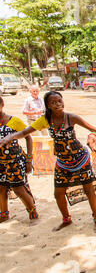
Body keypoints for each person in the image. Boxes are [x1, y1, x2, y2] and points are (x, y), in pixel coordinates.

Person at [0, 91, 96, 232]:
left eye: (59, 100)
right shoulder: (45, 120)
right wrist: (10, 137)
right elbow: (24, 132)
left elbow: (95, 130)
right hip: (62, 162)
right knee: (58, 193)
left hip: (80, 159)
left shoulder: (71, 118)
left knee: (89, 190)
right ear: (48, 105)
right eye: (53, 102)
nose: (58, 104)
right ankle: (66, 219)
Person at [0, 96, 39, 224]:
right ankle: (4, 214)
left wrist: (29, 159)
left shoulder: (14, 121)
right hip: (0, 163)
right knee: (1, 188)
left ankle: (33, 212)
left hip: (15, 161)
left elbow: (28, 138)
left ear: (2, 104)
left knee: (18, 189)